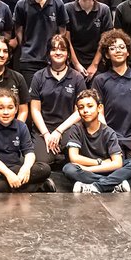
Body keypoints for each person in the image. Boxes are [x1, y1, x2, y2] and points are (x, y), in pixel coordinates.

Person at [62, 88, 131, 193]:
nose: (85, 110)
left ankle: (94, 186)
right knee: (69, 169)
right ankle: (113, 185)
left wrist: (89, 169)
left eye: (90, 106)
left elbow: (117, 163)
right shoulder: (76, 129)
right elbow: (74, 158)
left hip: (105, 169)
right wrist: (99, 162)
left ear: (99, 108)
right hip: (93, 167)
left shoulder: (108, 132)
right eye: (81, 107)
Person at [29, 34, 85, 173]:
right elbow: (35, 110)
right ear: (48, 53)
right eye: (54, 49)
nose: (58, 52)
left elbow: (79, 110)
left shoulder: (77, 78)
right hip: (44, 130)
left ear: (68, 54)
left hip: (68, 129)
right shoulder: (39, 76)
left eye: (62, 49)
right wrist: (47, 134)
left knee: (73, 159)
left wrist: (59, 131)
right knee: (42, 163)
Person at [91, 30, 131, 160]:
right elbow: (98, 112)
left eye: (122, 47)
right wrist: (108, 136)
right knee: (113, 162)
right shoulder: (100, 80)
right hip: (109, 136)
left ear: (128, 52)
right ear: (107, 54)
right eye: (113, 48)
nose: (118, 50)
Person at [0, 88, 51, 192]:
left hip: (16, 167)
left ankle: (7, 179)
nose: (6, 112)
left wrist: (25, 168)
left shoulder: (21, 126)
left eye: (10, 108)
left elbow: (29, 153)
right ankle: (38, 186)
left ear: (16, 109)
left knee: (45, 169)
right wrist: (8, 174)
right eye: (1, 108)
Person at [13, 0, 69, 87]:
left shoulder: (58, 3)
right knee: (31, 98)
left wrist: (55, 49)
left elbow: (62, 31)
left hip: (52, 59)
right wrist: (28, 46)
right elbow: (19, 31)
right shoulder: (21, 5)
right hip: (29, 60)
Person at [65, 0, 112, 76]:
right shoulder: (67, 8)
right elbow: (66, 39)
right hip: (73, 62)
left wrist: (94, 65)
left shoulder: (104, 10)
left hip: (98, 63)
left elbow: (104, 40)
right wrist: (76, 65)